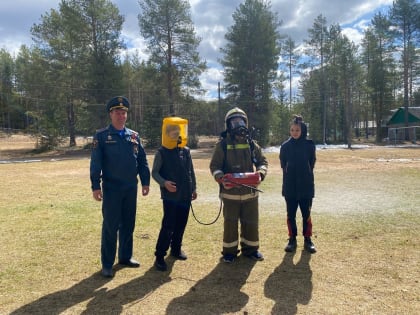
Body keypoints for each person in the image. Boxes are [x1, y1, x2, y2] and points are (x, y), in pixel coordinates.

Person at [90, 96, 150, 278]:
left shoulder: (133, 136)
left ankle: (125, 256)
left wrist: (146, 181)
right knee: (110, 225)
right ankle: (107, 264)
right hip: (111, 188)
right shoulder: (101, 136)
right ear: (111, 114)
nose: (121, 115)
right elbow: (96, 163)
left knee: (128, 224)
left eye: (124, 113)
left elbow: (142, 160)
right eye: (117, 112)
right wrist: (95, 186)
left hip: (131, 187)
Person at [210, 107, 268, 263]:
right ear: (228, 125)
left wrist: (260, 174)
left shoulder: (251, 144)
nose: (239, 125)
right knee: (230, 224)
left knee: (251, 222)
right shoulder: (222, 145)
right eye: (235, 122)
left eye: (241, 121)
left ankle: (251, 250)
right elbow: (215, 166)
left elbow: (262, 161)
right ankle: (229, 252)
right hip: (230, 194)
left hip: (250, 193)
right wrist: (221, 178)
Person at [152, 120, 197, 271]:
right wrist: (164, 183)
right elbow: (155, 173)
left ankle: (176, 249)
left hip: (185, 194)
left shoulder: (186, 151)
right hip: (170, 197)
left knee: (181, 224)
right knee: (168, 226)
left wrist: (193, 188)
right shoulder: (162, 152)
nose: (176, 134)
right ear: (167, 133)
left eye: (178, 131)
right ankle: (159, 255)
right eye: (173, 131)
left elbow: (191, 171)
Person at [279, 115, 316, 253]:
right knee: (291, 214)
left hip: (306, 187)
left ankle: (308, 240)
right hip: (290, 187)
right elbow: (283, 164)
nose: (295, 132)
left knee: (306, 214)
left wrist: (305, 173)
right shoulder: (285, 146)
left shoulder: (309, 145)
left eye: (297, 130)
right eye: (292, 130)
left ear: (303, 131)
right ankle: (292, 239)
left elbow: (312, 163)